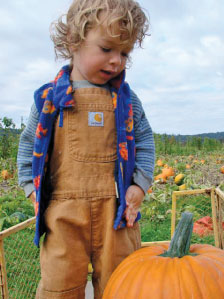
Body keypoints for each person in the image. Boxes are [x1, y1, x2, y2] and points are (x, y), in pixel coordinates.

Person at [17, 0, 155, 298]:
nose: (117, 60)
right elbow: (29, 147)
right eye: (107, 49)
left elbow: (144, 142)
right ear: (73, 41)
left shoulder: (127, 101)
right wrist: (31, 189)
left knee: (121, 286)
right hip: (62, 217)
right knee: (59, 288)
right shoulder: (48, 99)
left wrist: (140, 187)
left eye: (124, 53)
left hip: (117, 216)